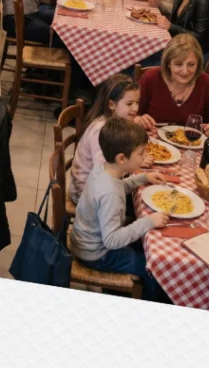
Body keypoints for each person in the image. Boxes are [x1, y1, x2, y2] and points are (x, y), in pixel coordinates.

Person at [69, 116, 171, 302]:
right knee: (154, 268)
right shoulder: (111, 195)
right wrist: (148, 221)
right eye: (141, 153)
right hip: (96, 254)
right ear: (122, 158)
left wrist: (143, 178)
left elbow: (119, 186)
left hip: (86, 240)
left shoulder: (103, 169)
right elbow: (112, 240)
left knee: (144, 245)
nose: (144, 156)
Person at [69, 75, 152, 203]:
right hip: (86, 195)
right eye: (129, 103)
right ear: (111, 104)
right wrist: (135, 163)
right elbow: (105, 176)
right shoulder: (101, 131)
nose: (136, 108)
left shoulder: (116, 122)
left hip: (100, 186)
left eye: (137, 102)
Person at [137, 34, 209, 135]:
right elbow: (128, 115)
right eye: (178, 64)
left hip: (191, 143)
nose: (185, 71)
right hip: (151, 141)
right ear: (168, 63)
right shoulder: (150, 78)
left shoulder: (207, 83)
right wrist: (138, 119)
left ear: (198, 64)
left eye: (191, 64)